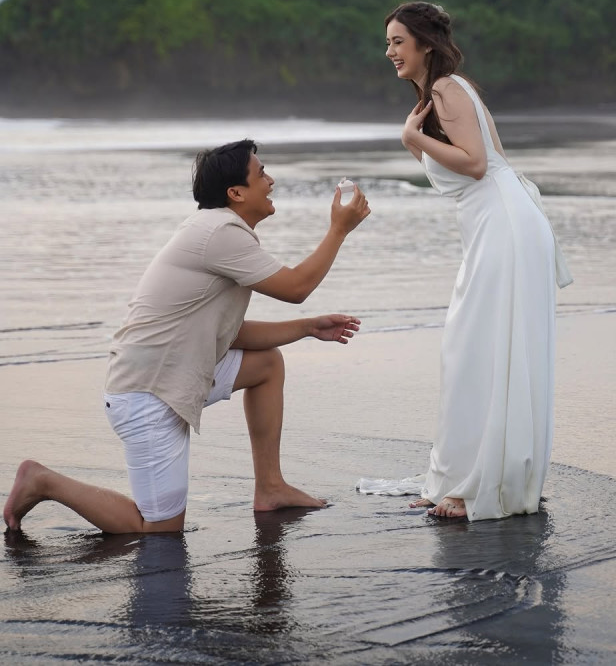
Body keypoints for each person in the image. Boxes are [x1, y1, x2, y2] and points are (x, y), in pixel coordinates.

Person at [4, 140, 370, 534]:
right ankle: (43, 480)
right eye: (261, 173)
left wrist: (307, 327)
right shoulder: (220, 234)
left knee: (266, 363)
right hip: (148, 394)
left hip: (170, 375)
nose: (271, 180)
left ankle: (270, 486)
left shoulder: (217, 230)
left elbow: (225, 334)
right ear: (236, 193)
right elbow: (297, 286)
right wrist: (339, 229)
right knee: (156, 530)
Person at [385, 1, 565, 521]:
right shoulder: (437, 97)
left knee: (483, 349)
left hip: (504, 225)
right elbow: (485, 164)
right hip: (495, 225)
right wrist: (418, 138)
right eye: (389, 42)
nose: (390, 52)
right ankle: (456, 476)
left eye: (398, 41)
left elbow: (481, 165)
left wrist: (411, 140)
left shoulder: (447, 89)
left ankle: (481, 484)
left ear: (424, 44)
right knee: (471, 348)